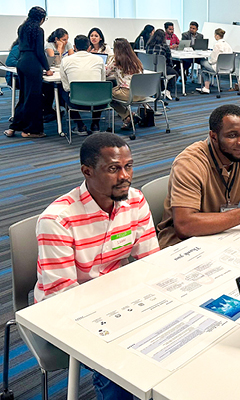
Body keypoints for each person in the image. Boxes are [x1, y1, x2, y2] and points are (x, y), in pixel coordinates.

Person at [34, 132, 158, 398]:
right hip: (66, 309)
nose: (125, 176)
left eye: (128, 166)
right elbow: (62, 299)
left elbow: (151, 262)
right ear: (87, 171)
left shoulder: (135, 200)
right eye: (113, 168)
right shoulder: (58, 220)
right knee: (120, 365)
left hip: (117, 296)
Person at [157, 105, 240, 248]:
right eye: (232, 135)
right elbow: (185, 226)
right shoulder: (190, 163)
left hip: (223, 233)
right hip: (181, 244)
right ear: (213, 136)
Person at [4, 6, 53, 139]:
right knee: (34, 98)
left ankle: (14, 127)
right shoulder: (39, 30)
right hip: (33, 64)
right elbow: (39, 52)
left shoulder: (22, 28)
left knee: (24, 96)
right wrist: (47, 68)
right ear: (41, 18)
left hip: (22, 62)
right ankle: (31, 130)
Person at [60, 35, 106, 135]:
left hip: (76, 102)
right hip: (99, 102)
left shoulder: (65, 60)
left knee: (62, 91)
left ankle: (80, 126)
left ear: (74, 47)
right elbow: (103, 82)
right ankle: (95, 124)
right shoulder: (99, 60)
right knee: (98, 91)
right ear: (89, 47)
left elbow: (66, 87)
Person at [106, 38, 145, 130]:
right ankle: (129, 117)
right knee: (114, 92)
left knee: (106, 95)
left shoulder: (116, 61)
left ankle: (128, 116)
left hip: (128, 93)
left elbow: (105, 72)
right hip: (142, 93)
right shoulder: (136, 60)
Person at [196, 28, 232, 94]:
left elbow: (213, 60)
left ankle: (206, 87)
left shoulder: (217, 45)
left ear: (217, 36)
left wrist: (208, 62)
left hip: (217, 68)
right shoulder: (228, 45)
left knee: (202, 62)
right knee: (204, 66)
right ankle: (206, 87)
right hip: (228, 68)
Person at [146, 29, 178, 100]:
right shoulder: (165, 46)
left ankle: (160, 90)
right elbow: (169, 60)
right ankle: (167, 90)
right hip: (162, 68)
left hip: (150, 69)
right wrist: (171, 66)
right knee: (175, 74)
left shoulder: (148, 45)